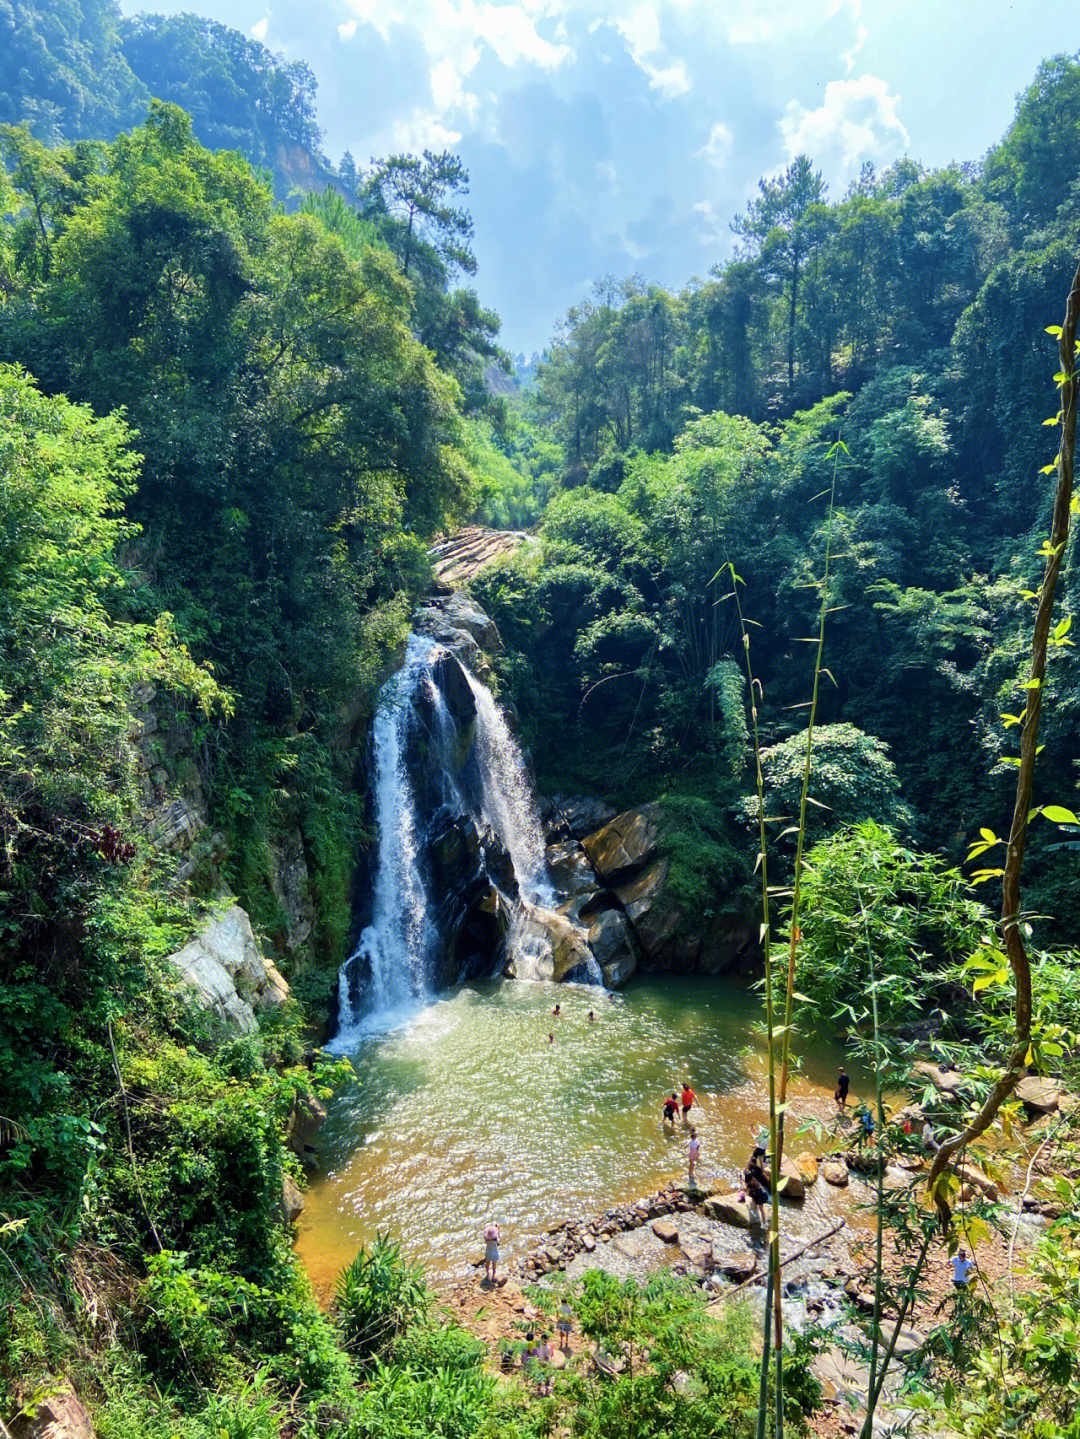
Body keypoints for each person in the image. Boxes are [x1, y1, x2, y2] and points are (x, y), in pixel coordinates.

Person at [744, 1146, 771, 1228]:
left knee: (759, 1206)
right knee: (757, 1204)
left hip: (758, 1193)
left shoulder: (750, 1179)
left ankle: (760, 1219)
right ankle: (760, 1219)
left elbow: (747, 1188)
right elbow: (762, 1171)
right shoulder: (755, 1173)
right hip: (759, 1192)